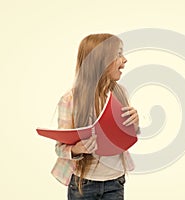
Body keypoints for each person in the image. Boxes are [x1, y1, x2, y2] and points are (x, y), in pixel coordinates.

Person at [51, 33, 140, 200]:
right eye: (119, 54)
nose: (125, 60)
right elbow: (59, 148)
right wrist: (77, 149)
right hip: (83, 184)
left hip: (115, 182)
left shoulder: (121, 93)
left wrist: (134, 123)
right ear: (101, 61)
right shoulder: (71, 100)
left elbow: (125, 136)